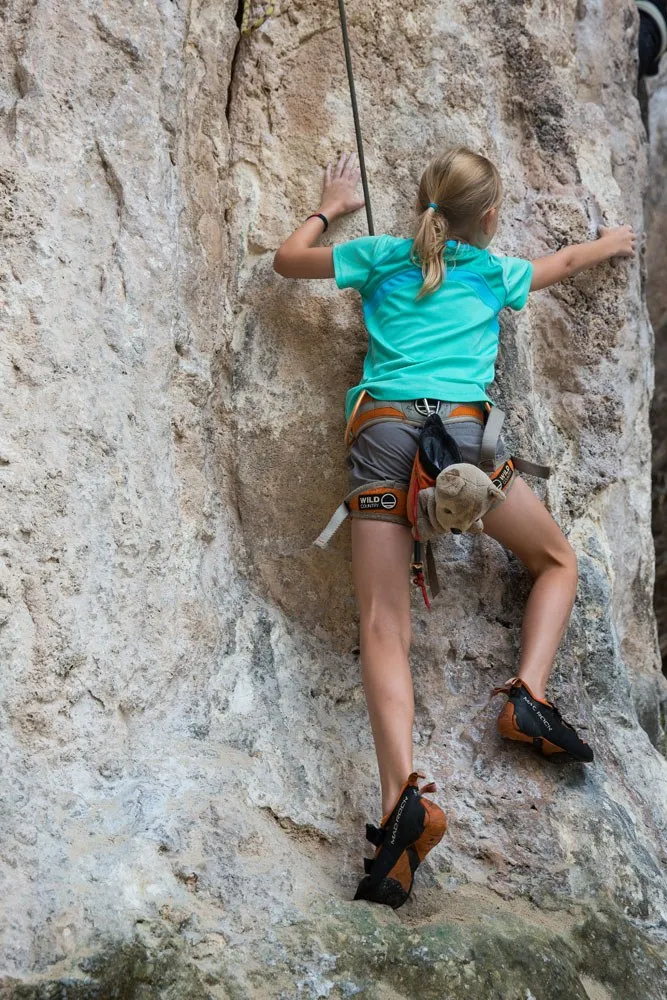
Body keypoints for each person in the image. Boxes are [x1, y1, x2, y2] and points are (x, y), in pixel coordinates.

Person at [273, 148, 636, 908]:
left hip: (382, 430)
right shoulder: (493, 271)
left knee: (382, 625)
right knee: (556, 561)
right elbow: (563, 264)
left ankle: (400, 800)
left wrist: (331, 205)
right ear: (491, 217)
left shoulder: (378, 257)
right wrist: (608, 245)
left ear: (420, 204)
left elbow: (288, 261)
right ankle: (526, 694)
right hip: (461, 432)